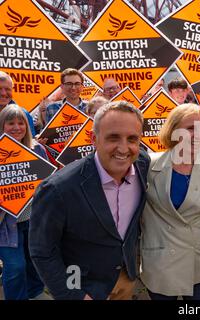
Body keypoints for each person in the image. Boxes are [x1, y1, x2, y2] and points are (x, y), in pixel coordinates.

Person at [29, 101, 150, 300]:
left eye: (132, 139)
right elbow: (42, 251)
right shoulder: (58, 189)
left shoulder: (142, 165)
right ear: (94, 139)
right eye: (113, 138)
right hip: (83, 287)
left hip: (126, 280)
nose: (123, 148)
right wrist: (73, 295)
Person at [140, 104, 200, 300]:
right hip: (160, 261)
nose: (197, 134)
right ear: (173, 130)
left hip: (199, 261)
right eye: (190, 128)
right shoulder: (149, 165)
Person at [0, 105, 49, 300]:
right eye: (10, 123)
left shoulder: (37, 149)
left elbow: (47, 183)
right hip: (6, 225)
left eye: (21, 123)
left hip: (33, 220)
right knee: (15, 267)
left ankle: (35, 293)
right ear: (2, 125)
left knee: (34, 262)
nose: (16, 127)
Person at [0, 71, 36, 137]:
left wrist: (36, 143)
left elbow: (30, 141)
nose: (3, 93)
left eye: (7, 89)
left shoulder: (23, 113)